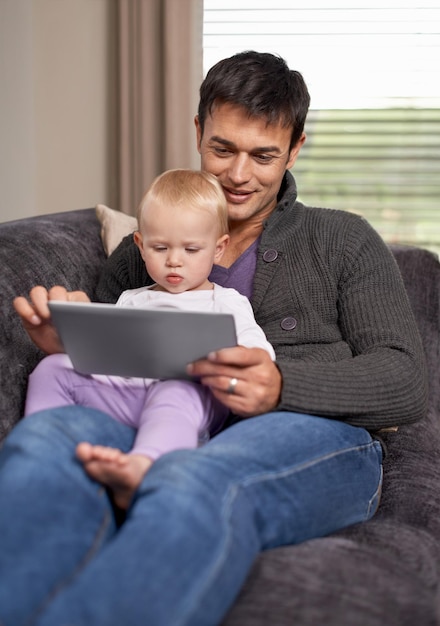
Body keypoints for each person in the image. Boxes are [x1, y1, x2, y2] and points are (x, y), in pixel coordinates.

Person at [1, 51, 427, 626]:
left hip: (306, 431)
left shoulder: (342, 239)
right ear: (198, 131)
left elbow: (403, 378)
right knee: (41, 445)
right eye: (222, 149)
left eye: (264, 155)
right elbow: (117, 360)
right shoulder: (141, 251)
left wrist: (281, 384)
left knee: (189, 476)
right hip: (150, 415)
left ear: (296, 148)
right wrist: (68, 342)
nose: (238, 174)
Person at [23, 169, 275, 510]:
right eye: (160, 247)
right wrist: (71, 343)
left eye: (190, 249)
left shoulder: (226, 301)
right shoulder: (131, 298)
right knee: (52, 367)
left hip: (189, 404)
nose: (174, 259)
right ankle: (41, 446)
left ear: (219, 249)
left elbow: (261, 356)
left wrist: (235, 356)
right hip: (126, 396)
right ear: (140, 245)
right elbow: (105, 357)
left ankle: (145, 466)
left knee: (176, 386)